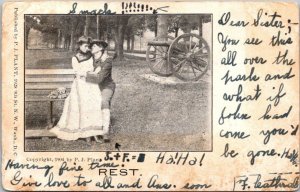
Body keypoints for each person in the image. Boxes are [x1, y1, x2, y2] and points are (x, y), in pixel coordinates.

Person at [50, 36, 104, 142]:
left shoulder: (91, 55)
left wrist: (96, 70)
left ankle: (94, 131)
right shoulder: (75, 57)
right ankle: (84, 132)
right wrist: (88, 73)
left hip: (91, 84)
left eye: (88, 46)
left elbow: (98, 65)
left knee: (95, 103)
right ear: (79, 45)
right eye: (84, 46)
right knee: (82, 105)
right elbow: (77, 72)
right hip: (81, 84)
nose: (87, 48)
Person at [86, 39, 115, 142]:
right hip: (93, 87)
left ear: (101, 48)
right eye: (91, 46)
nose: (92, 47)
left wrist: (86, 75)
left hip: (106, 86)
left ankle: (105, 130)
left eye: (94, 46)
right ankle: (91, 128)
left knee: (103, 101)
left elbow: (99, 79)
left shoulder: (107, 60)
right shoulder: (90, 59)